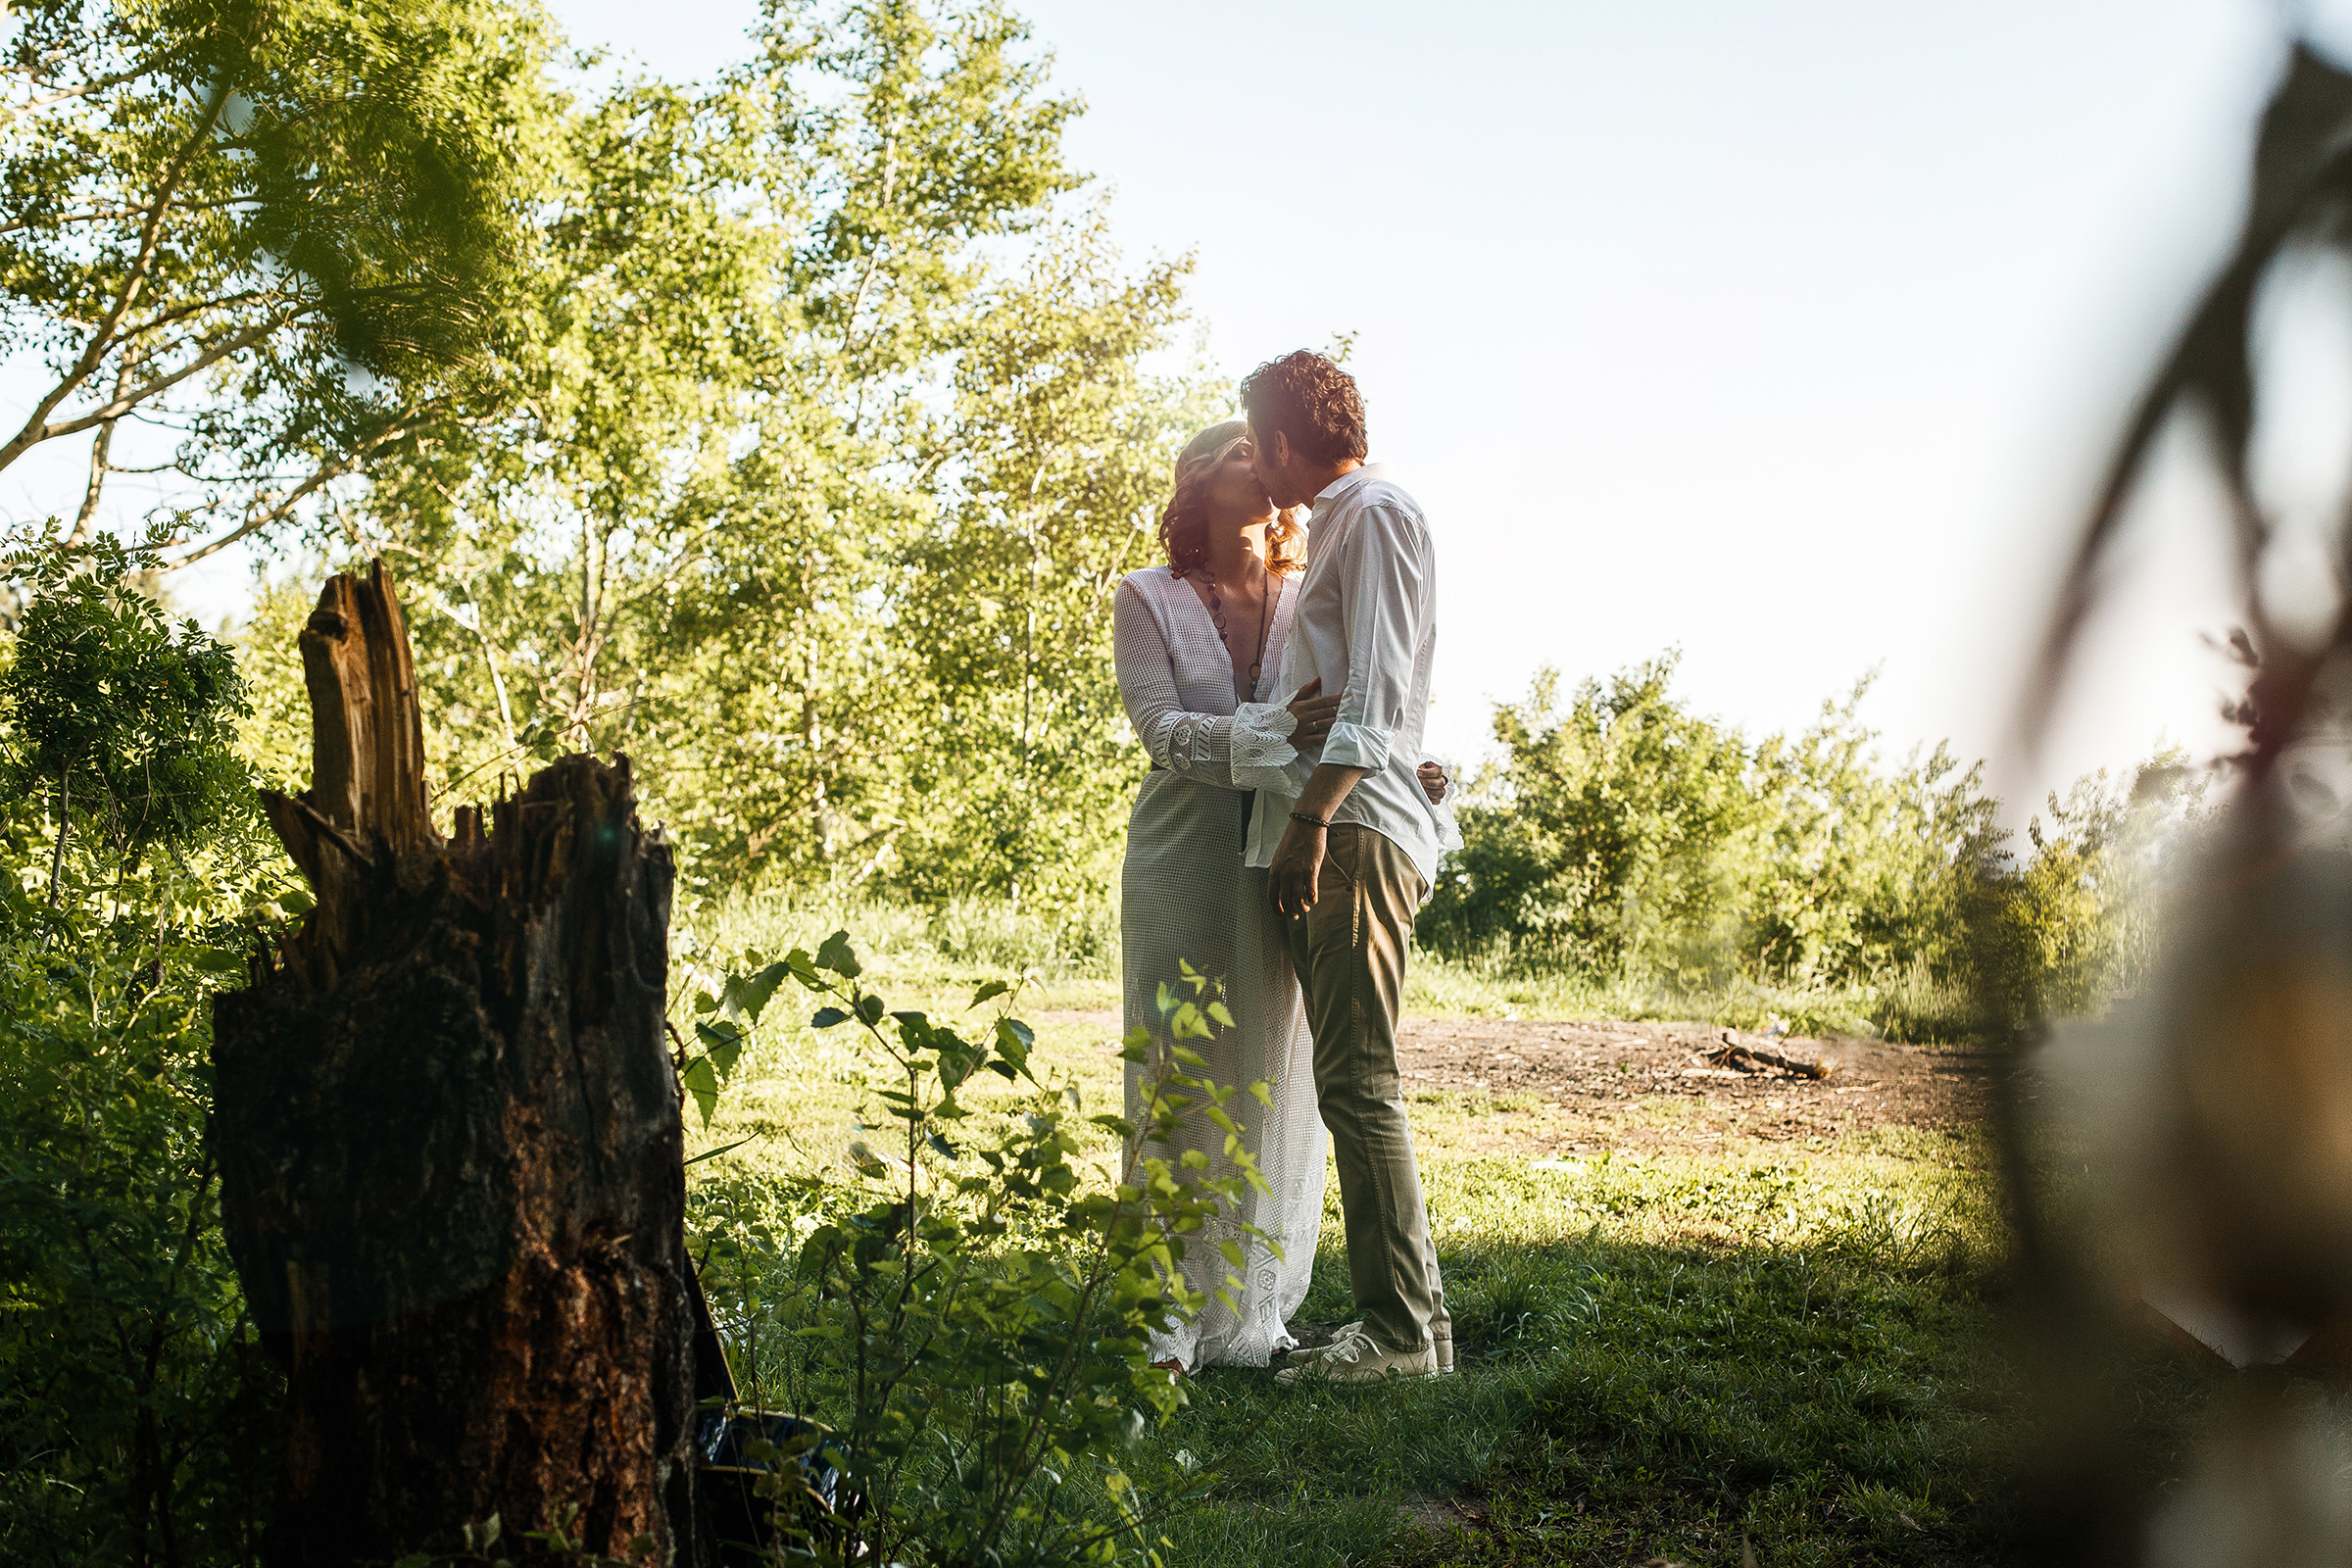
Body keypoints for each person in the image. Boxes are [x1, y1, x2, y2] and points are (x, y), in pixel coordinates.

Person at [1232, 350, 1456, 1385]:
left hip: (1355, 825)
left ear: (1286, 438)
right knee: (1350, 1075)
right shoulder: (1348, 523)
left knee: (1359, 1080)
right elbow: (1362, 694)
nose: (1253, 465)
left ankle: (1401, 1335)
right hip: (1354, 809)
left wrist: (1314, 817)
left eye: (1256, 441)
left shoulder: (1370, 512)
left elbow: (1374, 686)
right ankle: (1416, 1323)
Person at [1110, 419, 1343, 1373]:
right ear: (1202, 481)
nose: (1273, 464)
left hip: (1285, 859)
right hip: (1182, 862)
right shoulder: (1146, 598)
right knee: (1176, 1073)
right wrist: (1273, 727)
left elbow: (1347, 713)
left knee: (1277, 1077)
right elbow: (1164, 732)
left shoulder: (1312, 596)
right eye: (1250, 451)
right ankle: (1162, 1323)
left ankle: (1256, 1320)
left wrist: (1405, 766)